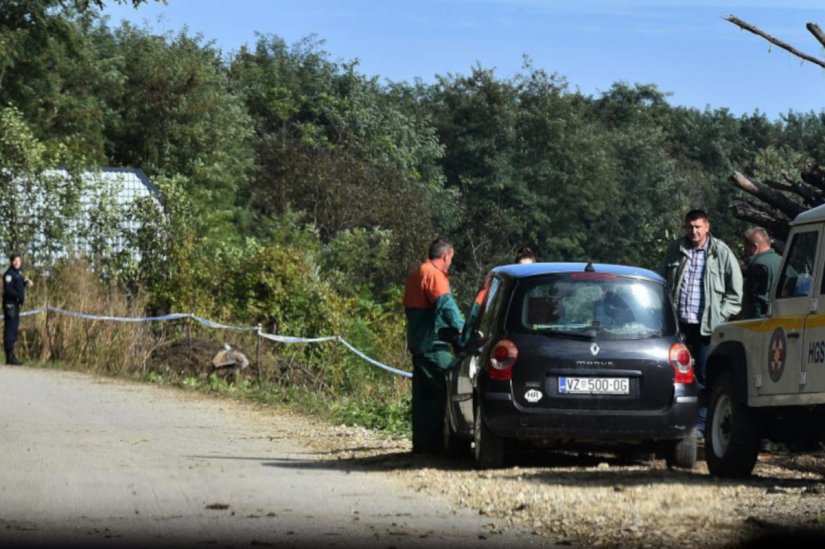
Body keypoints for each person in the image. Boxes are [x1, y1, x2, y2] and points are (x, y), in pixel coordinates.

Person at [661, 210, 743, 434]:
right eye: (690, 227)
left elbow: (735, 294)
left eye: (698, 227)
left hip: (707, 326)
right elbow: (663, 284)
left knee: (706, 374)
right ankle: (676, 420)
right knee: (677, 373)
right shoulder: (676, 250)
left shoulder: (721, 252)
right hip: (680, 326)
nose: (694, 232)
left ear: (707, 226)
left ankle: (702, 423)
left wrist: (720, 315)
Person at [403, 239, 464, 453]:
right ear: (446, 256)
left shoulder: (416, 274)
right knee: (450, 386)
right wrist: (465, 331)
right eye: (451, 259)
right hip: (433, 347)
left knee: (423, 397)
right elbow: (447, 308)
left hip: (418, 345)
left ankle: (422, 444)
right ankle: (444, 444)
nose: (450, 263)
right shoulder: (434, 275)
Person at [741, 227, 782, 319]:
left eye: (746, 247)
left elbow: (755, 302)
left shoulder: (757, 266)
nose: (745, 251)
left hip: (760, 324)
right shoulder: (783, 262)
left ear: (755, 247)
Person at [3, 253, 32, 366]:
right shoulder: (9, 274)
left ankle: (12, 355)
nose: (17, 262)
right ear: (11, 261)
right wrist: (19, 296)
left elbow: (19, 285)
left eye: (18, 261)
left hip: (16, 305)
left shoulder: (18, 273)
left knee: (14, 330)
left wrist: (25, 282)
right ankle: (9, 356)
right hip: (10, 305)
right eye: (15, 261)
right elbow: (9, 290)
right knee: (10, 330)